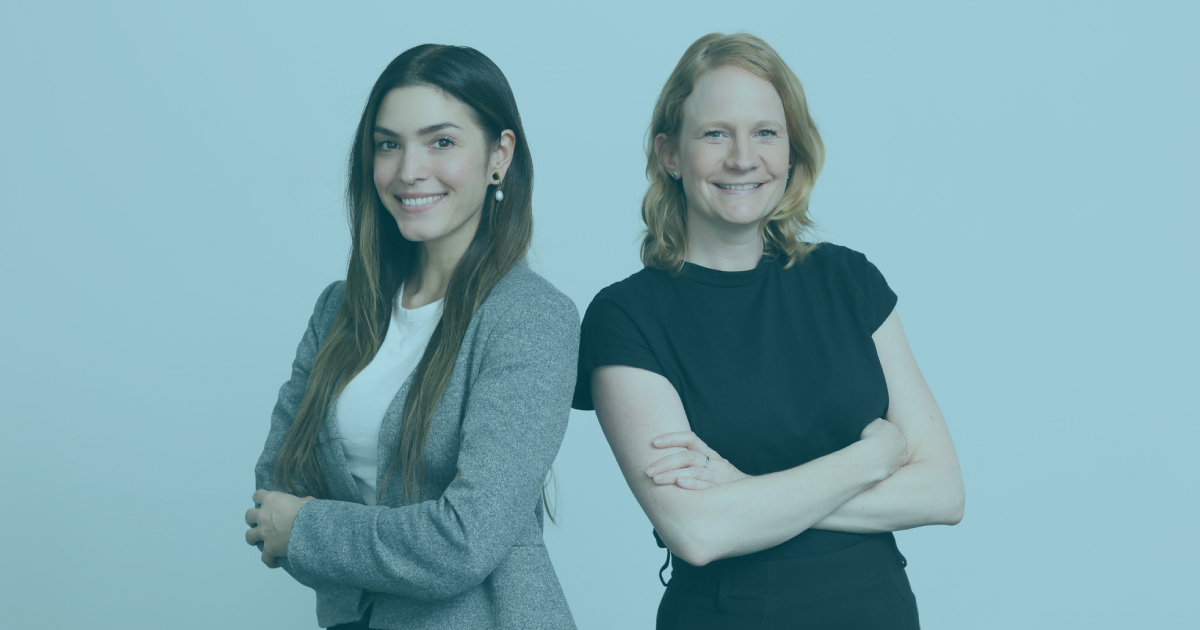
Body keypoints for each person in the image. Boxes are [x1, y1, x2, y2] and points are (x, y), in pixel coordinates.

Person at [573, 33, 965, 629]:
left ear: (791, 151)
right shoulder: (625, 316)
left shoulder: (848, 281)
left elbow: (942, 491)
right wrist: (875, 457)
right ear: (670, 154)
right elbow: (698, 530)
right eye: (715, 134)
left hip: (880, 611)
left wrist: (746, 491)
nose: (742, 157)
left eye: (765, 132)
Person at [244, 44, 578, 630]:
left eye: (441, 142)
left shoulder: (531, 318)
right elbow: (274, 497)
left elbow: (463, 541)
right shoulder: (338, 309)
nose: (408, 171)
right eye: (388, 144)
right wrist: (310, 531)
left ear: (499, 155)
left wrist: (309, 529)